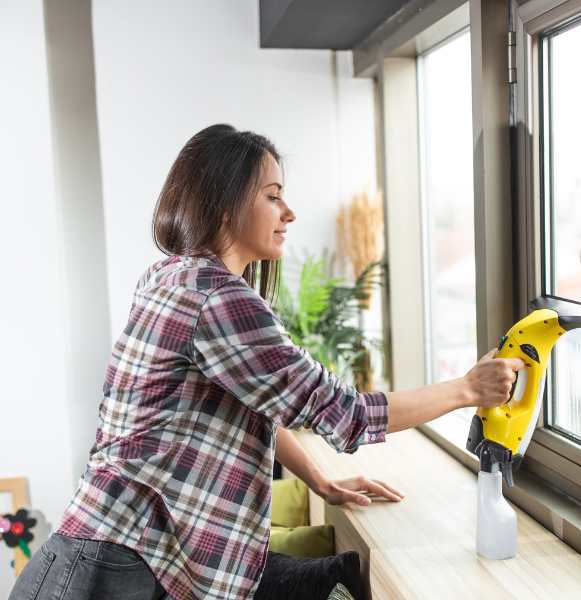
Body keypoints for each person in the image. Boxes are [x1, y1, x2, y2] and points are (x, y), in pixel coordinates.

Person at [10, 124, 524, 600]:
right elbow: (346, 413)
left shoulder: (169, 275)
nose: (289, 213)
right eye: (273, 197)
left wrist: (318, 481)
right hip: (104, 571)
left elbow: (252, 405)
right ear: (224, 204)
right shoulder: (217, 298)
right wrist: (467, 390)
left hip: (99, 554)